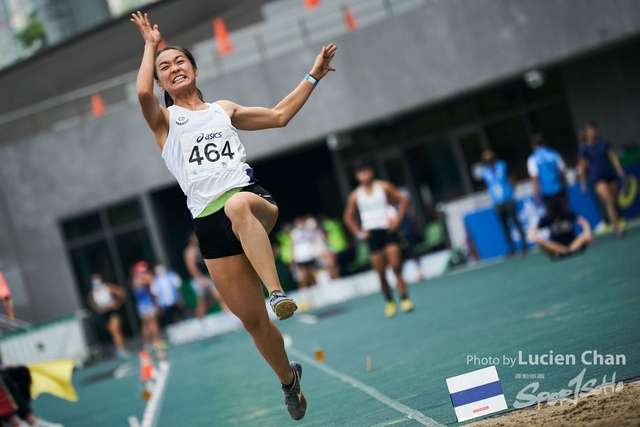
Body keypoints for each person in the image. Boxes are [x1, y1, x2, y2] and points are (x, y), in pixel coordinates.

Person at [130, 11, 336, 420]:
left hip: (251, 200)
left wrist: (313, 76)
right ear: (160, 82)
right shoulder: (166, 121)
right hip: (208, 227)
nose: (174, 69)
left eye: (179, 62)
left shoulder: (223, 109)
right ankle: (288, 381)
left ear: (195, 68)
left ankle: (277, 292)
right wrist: (150, 45)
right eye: (164, 68)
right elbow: (141, 96)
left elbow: (279, 117)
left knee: (237, 204)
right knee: (253, 323)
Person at [342, 160, 414, 317]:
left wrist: (397, 220)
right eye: (360, 172)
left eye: (366, 171)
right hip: (372, 235)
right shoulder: (356, 195)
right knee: (380, 272)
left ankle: (404, 298)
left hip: (387, 231)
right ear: (357, 176)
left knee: (395, 266)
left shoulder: (383, 186)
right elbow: (347, 217)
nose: (364, 175)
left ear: (371, 172)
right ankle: (389, 301)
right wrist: (359, 233)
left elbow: (403, 200)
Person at [578, 121, 626, 237]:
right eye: (589, 131)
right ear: (586, 133)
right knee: (609, 200)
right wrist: (583, 182)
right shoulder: (584, 148)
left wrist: (619, 169)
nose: (592, 133)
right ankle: (616, 227)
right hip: (596, 178)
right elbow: (583, 166)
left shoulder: (604, 143)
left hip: (609, 175)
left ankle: (614, 221)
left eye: (593, 130)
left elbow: (612, 156)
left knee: (614, 200)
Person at [480, 149, 528, 256]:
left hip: (507, 198)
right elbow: (487, 185)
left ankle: (524, 244)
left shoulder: (502, 165)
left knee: (516, 221)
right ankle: (511, 248)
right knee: (504, 226)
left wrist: (512, 191)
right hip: (497, 201)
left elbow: (512, 178)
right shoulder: (485, 171)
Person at [528, 200, 593, 260]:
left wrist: (588, 232)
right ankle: (564, 251)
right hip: (557, 246)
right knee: (540, 243)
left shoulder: (567, 214)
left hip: (573, 243)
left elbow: (584, 223)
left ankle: (569, 250)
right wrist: (535, 237)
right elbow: (533, 232)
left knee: (585, 235)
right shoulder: (547, 218)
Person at [183, 232, 227, 319]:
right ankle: (200, 323)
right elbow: (192, 268)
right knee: (203, 303)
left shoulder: (200, 249)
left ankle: (231, 316)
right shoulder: (189, 252)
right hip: (198, 280)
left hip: (206, 277)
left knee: (219, 297)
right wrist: (201, 279)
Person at [87, 273, 130, 360]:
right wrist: (99, 309)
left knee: (116, 330)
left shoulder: (107, 287)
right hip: (105, 314)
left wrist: (117, 303)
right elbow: (91, 302)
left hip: (113, 311)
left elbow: (121, 292)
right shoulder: (93, 292)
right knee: (112, 332)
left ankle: (122, 349)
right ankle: (119, 348)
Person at [527, 133, 568, 211]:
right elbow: (562, 172)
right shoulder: (554, 154)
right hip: (558, 190)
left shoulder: (533, 158)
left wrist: (536, 196)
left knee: (552, 216)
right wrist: (565, 187)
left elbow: (535, 179)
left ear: (534, 145)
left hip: (546, 193)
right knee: (564, 213)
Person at [130, 261, 161, 350]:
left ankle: (147, 343)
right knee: (152, 323)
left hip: (141, 305)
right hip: (146, 304)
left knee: (146, 325)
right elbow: (151, 280)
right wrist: (147, 274)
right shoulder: (138, 279)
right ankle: (156, 341)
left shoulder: (135, 279)